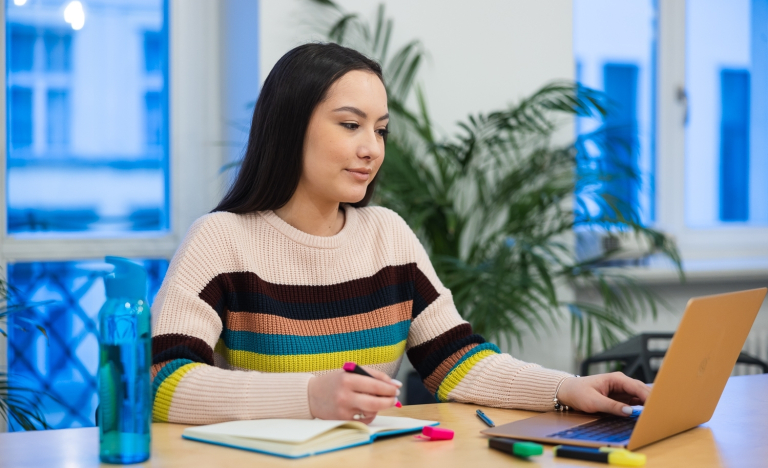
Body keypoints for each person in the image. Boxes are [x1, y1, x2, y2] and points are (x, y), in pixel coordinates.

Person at [150, 43, 650, 425]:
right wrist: (309, 396)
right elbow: (159, 381)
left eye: (381, 130)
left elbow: (455, 361)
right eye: (351, 125)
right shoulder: (220, 241)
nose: (372, 148)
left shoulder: (387, 235)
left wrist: (565, 388)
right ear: (288, 127)